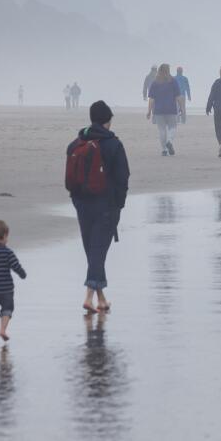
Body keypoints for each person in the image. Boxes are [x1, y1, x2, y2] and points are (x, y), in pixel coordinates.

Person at [67, 101, 130, 314]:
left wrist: (76, 199)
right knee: (97, 251)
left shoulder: (76, 143)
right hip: (106, 205)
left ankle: (101, 299)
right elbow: (123, 177)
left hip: (81, 202)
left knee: (93, 251)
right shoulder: (114, 145)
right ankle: (88, 295)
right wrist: (119, 204)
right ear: (108, 120)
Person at [146, 63, 183, 155]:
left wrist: (149, 111)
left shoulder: (155, 82)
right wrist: (181, 107)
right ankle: (169, 141)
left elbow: (151, 99)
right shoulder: (173, 81)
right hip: (171, 109)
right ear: (168, 70)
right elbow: (178, 96)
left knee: (161, 130)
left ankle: (164, 150)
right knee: (173, 127)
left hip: (158, 110)